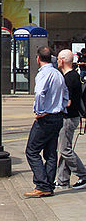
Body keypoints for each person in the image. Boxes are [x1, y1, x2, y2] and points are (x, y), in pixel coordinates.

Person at [24, 46, 69, 198]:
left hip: (47, 117)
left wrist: (39, 111)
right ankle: (49, 185)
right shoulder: (58, 74)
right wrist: (62, 107)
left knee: (32, 151)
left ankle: (42, 184)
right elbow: (65, 94)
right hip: (58, 116)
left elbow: (39, 93)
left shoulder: (44, 74)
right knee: (50, 153)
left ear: (38, 58)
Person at [55, 49, 86, 190]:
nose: (56, 62)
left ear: (62, 60)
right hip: (73, 117)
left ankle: (83, 174)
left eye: (58, 59)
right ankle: (62, 180)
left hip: (68, 117)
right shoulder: (74, 75)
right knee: (64, 149)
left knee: (65, 150)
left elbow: (67, 101)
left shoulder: (68, 78)